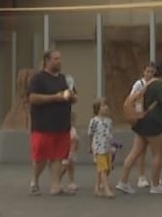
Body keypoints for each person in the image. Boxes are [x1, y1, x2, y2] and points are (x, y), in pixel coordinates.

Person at [26, 50, 77, 196]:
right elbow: (33, 98)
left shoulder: (64, 79)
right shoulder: (38, 78)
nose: (59, 61)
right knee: (41, 157)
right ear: (47, 61)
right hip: (43, 126)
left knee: (58, 157)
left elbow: (74, 98)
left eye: (60, 59)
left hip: (62, 125)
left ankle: (56, 185)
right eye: (55, 59)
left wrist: (71, 96)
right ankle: (34, 180)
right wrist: (55, 97)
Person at [117, 60, 162, 194]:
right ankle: (155, 184)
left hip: (141, 121)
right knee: (158, 153)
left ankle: (123, 181)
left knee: (135, 152)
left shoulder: (147, 84)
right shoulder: (159, 85)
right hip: (153, 124)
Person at [127, 63, 156, 189]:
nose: (149, 74)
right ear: (144, 72)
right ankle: (141, 176)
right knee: (140, 150)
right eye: (147, 71)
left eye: (152, 72)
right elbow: (131, 98)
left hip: (151, 117)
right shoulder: (139, 84)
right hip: (140, 117)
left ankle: (155, 177)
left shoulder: (155, 83)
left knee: (155, 149)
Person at [88, 98, 116, 198]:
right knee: (103, 168)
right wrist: (90, 146)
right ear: (97, 108)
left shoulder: (109, 121)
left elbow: (110, 134)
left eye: (106, 105)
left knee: (106, 169)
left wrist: (112, 145)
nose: (106, 107)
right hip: (98, 148)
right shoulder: (94, 121)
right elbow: (91, 134)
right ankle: (106, 188)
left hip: (106, 147)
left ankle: (97, 187)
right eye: (103, 106)